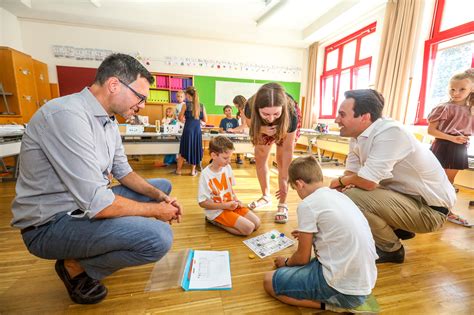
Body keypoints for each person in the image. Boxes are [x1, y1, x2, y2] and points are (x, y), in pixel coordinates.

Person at [10, 53, 183, 304]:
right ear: (114, 85)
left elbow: (124, 172)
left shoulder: (108, 121)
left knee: (160, 186)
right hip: (49, 225)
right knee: (158, 239)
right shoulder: (66, 115)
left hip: (80, 209)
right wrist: (156, 211)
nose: (142, 105)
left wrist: (160, 198)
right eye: (140, 97)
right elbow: (99, 203)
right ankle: (75, 266)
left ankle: (89, 250)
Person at [329, 89, 455, 264]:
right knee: (347, 192)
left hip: (431, 211)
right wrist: (347, 182)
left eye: (342, 115)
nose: (336, 120)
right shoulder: (357, 136)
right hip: (408, 200)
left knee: (351, 196)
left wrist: (342, 182)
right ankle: (396, 228)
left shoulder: (390, 133)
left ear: (364, 117)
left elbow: (367, 182)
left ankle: (392, 249)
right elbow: (352, 173)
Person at [263, 155, 379, 313]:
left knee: (269, 281)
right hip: (364, 283)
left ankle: (335, 305)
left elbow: (302, 259)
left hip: (344, 290)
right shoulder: (339, 196)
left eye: (296, 189)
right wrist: (308, 235)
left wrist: (286, 262)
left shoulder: (308, 204)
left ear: (299, 183)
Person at [244, 83, 301, 223]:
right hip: (260, 127)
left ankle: (283, 203)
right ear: (258, 109)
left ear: (282, 108)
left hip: (285, 124)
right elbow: (250, 124)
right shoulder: (250, 105)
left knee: (282, 162)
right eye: (266, 114)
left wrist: (283, 179)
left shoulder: (291, 112)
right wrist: (262, 129)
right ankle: (265, 196)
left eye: (276, 113)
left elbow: (288, 150)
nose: (271, 119)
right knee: (260, 157)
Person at [427, 69, 473, 227]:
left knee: (449, 182)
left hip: (459, 147)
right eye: (452, 89)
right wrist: (452, 138)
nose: (456, 93)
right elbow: (431, 131)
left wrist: (461, 139)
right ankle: (430, 207)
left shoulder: (471, 110)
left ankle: (445, 210)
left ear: (471, 89)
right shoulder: (443, 107)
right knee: (435, 179)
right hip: (442, 145)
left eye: (462, 89)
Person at [198, 136, 260, 235]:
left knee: (257, 223)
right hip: (217, 211)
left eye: (230, 157)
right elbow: (202, 203)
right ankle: (214, 221)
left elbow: (230, 189)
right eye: (225, 158)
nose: (229, 161)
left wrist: (236, 199)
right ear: (214, 155)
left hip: (230, 205)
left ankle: (231, 217)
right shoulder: (205, 175)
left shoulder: (227, 167)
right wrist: (225, 205)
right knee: (248, 229)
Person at [176, 86, 207, 176]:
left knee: (183, 150)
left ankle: (178, 170)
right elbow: (205, 120)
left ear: (188, 95)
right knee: (194, 150)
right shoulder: (201, 106)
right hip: (197, 130)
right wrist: (197, 120)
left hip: (187, 129)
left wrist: (185, 120)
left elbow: (180, 117)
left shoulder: (185, 105)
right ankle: (193, 172)